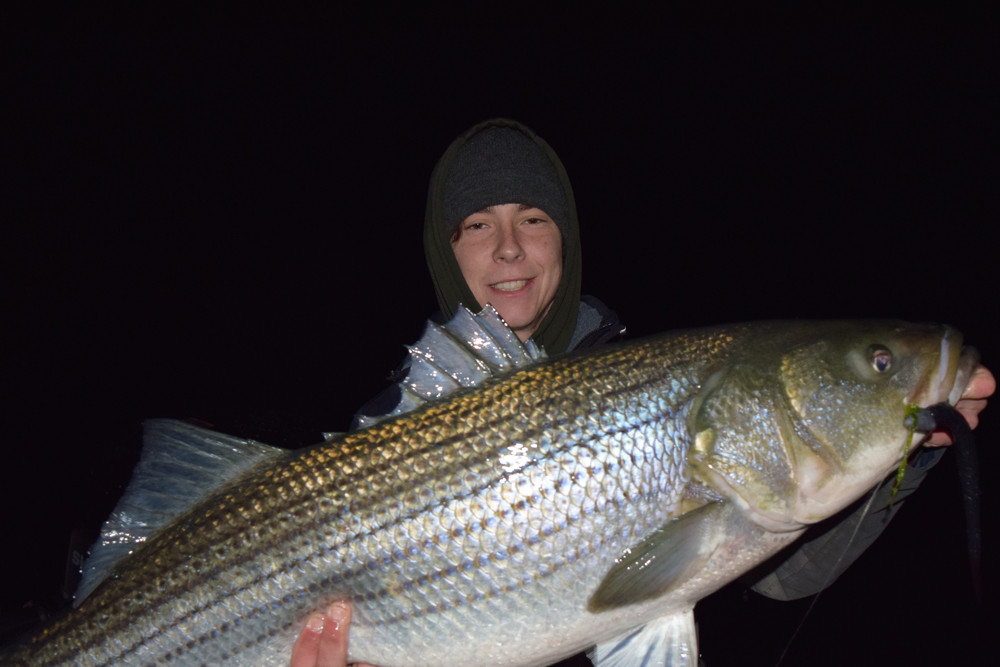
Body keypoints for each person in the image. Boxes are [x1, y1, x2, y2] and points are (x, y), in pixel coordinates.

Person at [289, 119, 995, 667]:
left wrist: (911, 453)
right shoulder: (380, 428)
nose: (508, 249)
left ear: (564, 238)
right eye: (476, 225)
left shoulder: (634, 369)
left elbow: (786, 575)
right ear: (447, 251)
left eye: (533, 218)